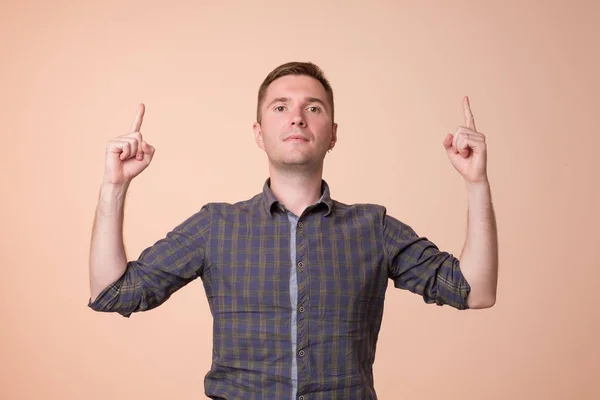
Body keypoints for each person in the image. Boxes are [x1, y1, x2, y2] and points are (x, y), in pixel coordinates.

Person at [88, 61, 498, 400]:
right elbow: (113, 293)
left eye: (314, 108)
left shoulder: (373, 228)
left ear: (333, 134)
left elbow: (474, 290)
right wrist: (115, 186)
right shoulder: (216, 226)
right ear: (258, 133)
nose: (297, 117)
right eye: (280, 107)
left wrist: (476, 182)